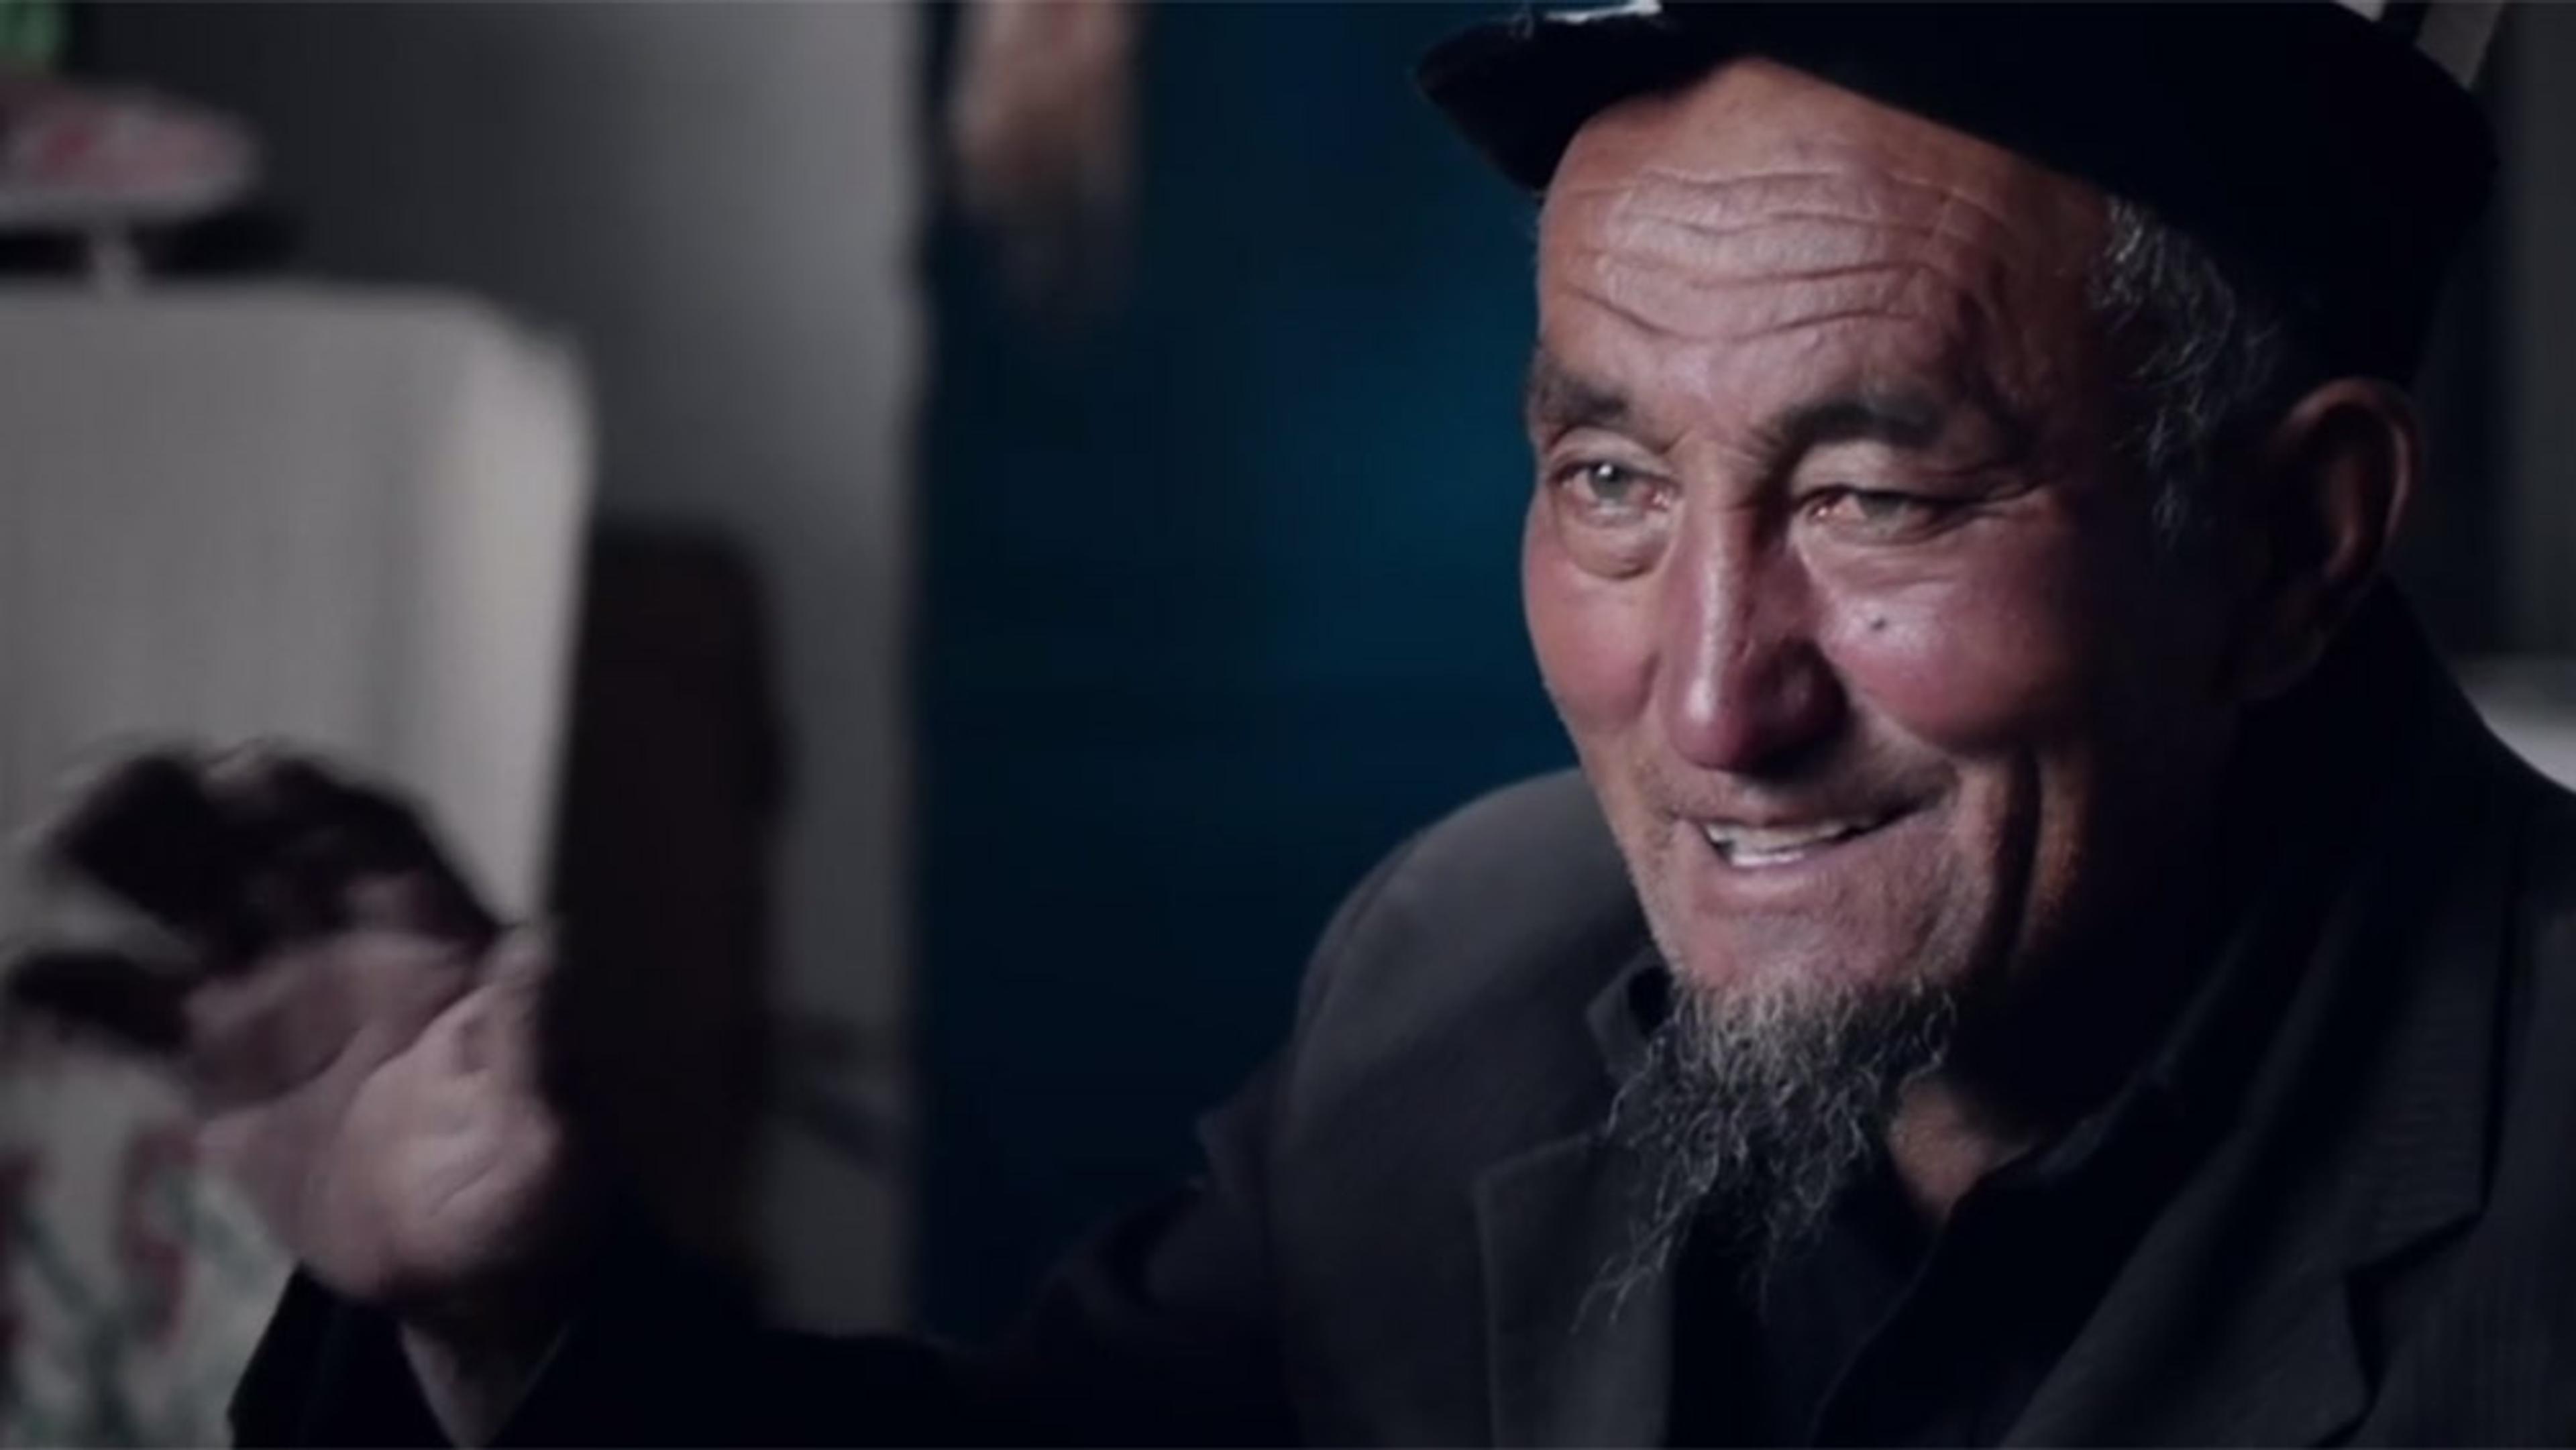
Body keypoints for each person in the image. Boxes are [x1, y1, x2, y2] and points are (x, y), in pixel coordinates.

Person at [13, 1, 2573, 1443]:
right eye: (1604, 476)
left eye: (1881, 501)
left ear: (2289, 542)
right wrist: (516, 1298)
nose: (1706, 699)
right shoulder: (1467, 979)